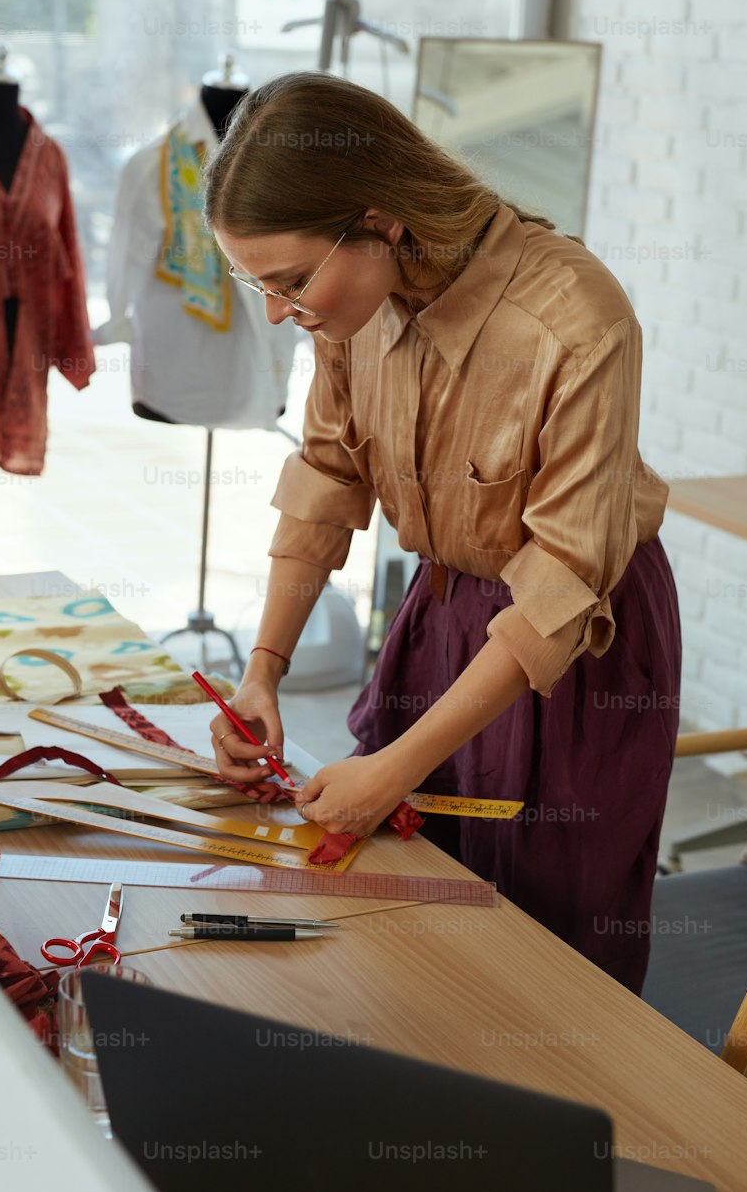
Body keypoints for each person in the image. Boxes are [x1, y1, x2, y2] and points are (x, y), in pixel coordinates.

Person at [201, 71, 680, 995]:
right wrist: (262, 671)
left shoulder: (577, 319)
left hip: (580, 643)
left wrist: (393, 768)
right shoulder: (346, 305)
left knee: (552, 941)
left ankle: (562, 1127)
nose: (276, 311)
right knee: (409, 905)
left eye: (290, 282)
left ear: (381, 221)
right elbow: (328, 479)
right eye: (254, 282)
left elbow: (562, 580)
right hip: (447, 611)